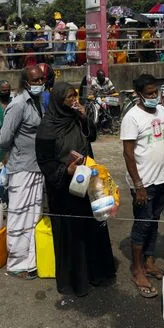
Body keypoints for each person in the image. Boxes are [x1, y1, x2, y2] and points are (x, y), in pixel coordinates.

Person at [36, 82, 116, 296]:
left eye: (75, 96)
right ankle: (76, 281)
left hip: (86, 182)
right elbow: (44, 161)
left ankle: (98, 273)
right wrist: (65, 170)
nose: (74, 100)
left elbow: (91, 136)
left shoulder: (76, 119)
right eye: (68, 97)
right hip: (63, 189)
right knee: (71, 234)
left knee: (93, 226)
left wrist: (84, 117)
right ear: (58, 101)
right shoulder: (48, 126)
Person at [120, 74, 164, 298]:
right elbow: (128, 153)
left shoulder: (162, 111)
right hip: (145, 183)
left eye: (156, 92)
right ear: (139, 95)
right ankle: (137, 268)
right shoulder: (131, 117)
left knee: (153, 221)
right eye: (149, 93)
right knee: (142, 224)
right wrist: (138, 184)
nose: (154, 96)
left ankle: (150, 261)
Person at [0, 65, 47, 279]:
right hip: (22, 168)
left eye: (41, 79)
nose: (39, 83)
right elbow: (3, 139)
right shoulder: (18, 105)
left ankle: (31, 260)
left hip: (36, 166)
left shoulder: (36, 102)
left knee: (33, 215)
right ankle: (17, 264)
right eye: (35, 80)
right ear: (25, 82)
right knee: (19, 216)